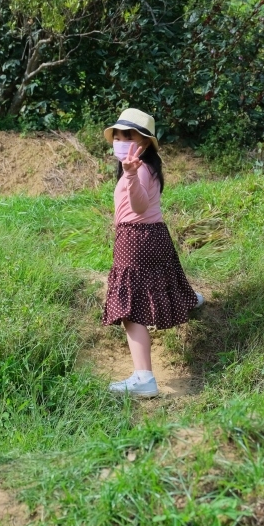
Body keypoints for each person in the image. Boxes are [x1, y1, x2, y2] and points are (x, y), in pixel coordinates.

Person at [102, 108, 203, 398]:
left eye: (128, 136)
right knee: (164, 277)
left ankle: (144, 377)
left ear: (145, 142)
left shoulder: (139, 170)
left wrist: (130, 175)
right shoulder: (146, 168)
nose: (120, 142)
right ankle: (191, 300)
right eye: (117, 136)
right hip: (155, 235)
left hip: (135, 239)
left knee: (130, 309)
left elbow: (139, 207)